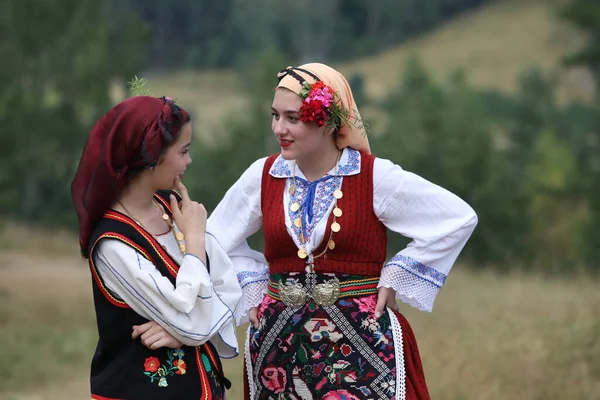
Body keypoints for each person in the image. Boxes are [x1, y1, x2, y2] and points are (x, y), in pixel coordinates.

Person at [206, 63, 478, 400]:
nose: (279, 128)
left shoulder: (373, 176)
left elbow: (456, 218)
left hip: (362, 349)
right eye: (275, 116)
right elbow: (214, 239)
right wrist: (253, 284)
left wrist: (395, 275)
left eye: (293, 118)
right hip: (280, 349)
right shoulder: (263, 176)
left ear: (327, 121)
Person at [71, 95, 242, 399]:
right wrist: (193, 243)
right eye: (184, 151)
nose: (189, 161)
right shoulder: (113, 244)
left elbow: (230, 289)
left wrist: (179, 332)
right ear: (152, 157)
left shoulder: (173, 208)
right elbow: (191, 317)